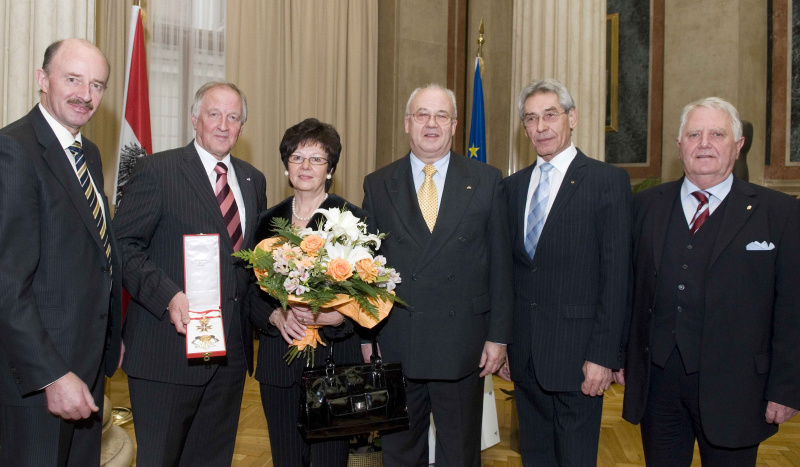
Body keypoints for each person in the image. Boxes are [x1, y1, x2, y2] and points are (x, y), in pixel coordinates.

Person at [619, 97, 800, 466]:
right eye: (694, 134)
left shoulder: (779, 213)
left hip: (738, 387)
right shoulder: (645, 205)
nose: (704, 143)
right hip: (658, 383)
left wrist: (787, 387)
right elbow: (628, 289)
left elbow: (793, 308)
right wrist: (620, 355)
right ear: (679, 145)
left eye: (717, 134)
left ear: (738, 145)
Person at [112, 81, 267, 466]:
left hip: (228, 356)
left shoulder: (252, 180)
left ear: (242, 127)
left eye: (233, 117)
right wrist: (168, 295)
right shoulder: (156, 170)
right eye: (214, 114)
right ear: (194, 119)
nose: (222, 124)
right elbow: (124, 247)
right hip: (167, 351)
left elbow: (249, 264)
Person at [361, 84, 513, 466]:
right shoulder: (378, 184)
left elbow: (500, 267)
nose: (432, 124)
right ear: (407, 124)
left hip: (463, 345)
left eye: (441, 115)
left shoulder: (486, 179)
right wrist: (367, 336)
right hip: (398, 342)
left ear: (455, 125)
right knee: (399, 453)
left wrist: (498, 337)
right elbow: (366, 269)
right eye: (422, 115)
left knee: (459, 455)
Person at [0, 38, 122, 466]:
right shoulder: (13, 149)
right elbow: (7, 283)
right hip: (38, 379)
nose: (85, 95)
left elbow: (95, 252)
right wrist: (51, 375)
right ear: (42, 79)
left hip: (85, 366)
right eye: (73, 79)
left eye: (97, 85)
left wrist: (112, 335)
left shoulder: (86, 152)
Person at [499, 78, 632, 465]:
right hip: (525, 357)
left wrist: (604, 355)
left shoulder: (607, 181)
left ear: (571, 118)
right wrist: (505, 343)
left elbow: (617, 276)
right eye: (530, 118)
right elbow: (510, 274)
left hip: (580, 358)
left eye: (550, 115)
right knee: (536, 458)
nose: (541, 127)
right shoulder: (512, 188)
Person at [249, 118, 365, 467]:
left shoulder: (351, 220)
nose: (306, 166)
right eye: (297, 157)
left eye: (317, 159)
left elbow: (370, 294)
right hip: (278, 364)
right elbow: (248, 291)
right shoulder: (267, 220)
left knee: (329, 460)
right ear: (286, 165)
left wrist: (337, 315)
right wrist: (272, 313)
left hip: (334, 360)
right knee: (286, 459)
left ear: (330, 169)